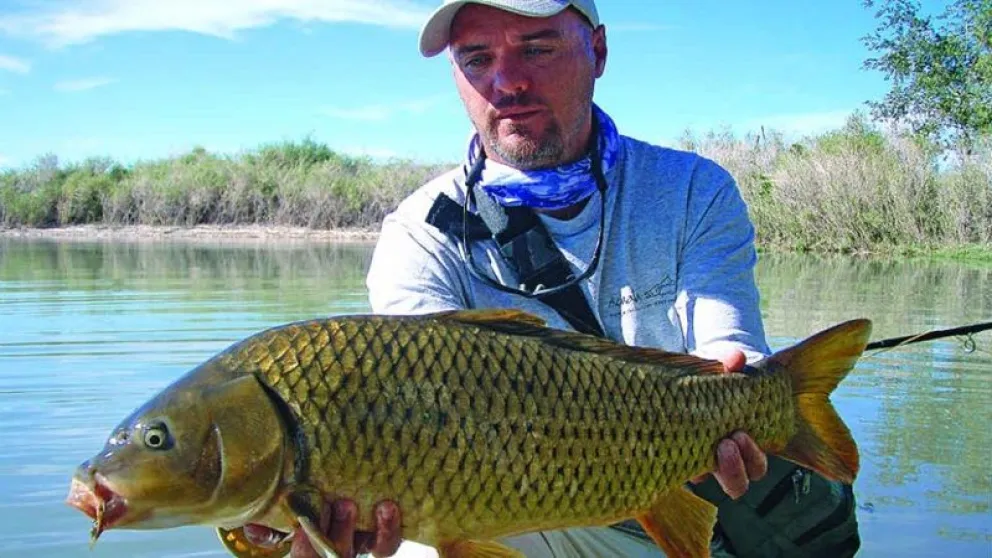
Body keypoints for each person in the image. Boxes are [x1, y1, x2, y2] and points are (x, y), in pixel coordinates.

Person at [245, 1, 862, 556]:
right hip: (507, 510)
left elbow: (728, 343)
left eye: (536, 48)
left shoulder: (693, 190)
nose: (507, 81)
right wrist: (278, 526)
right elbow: (414, 404)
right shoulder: (420, 231)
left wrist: (743, 385)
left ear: (598, 50)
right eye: (477, 59)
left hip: (671, 502)